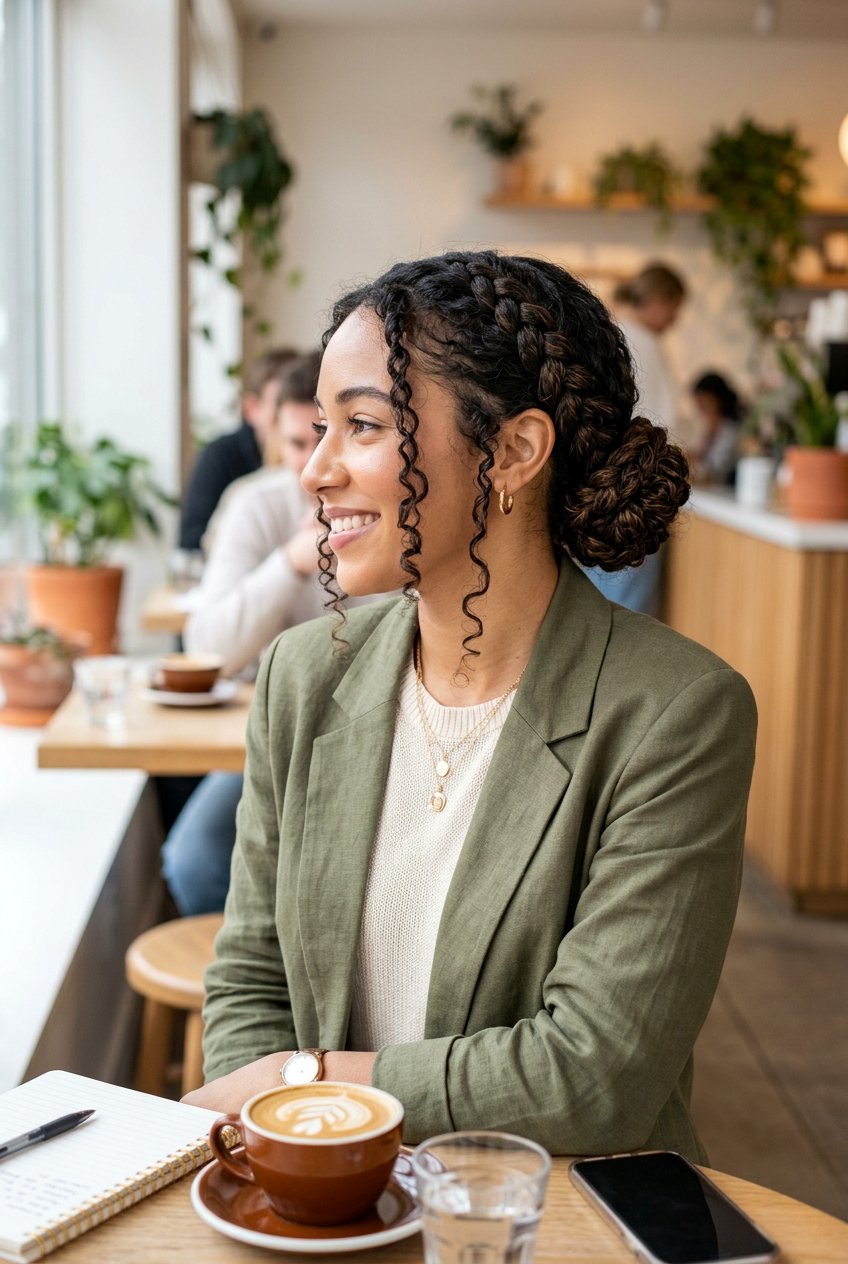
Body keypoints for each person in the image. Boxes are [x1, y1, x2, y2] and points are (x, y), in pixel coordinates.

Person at [187, 251, 756, 1164]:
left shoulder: (676, 714)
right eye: (320, 428)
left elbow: (590, 1076)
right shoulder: (303, 677)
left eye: (362, 425)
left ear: (514, 453)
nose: (316, 471)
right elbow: (252, 978)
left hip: (545, 1221)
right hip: (329, 1205)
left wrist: (309, 1086)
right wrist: (308, 1163)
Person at [161, 352, 325, 917]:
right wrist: (292, 562)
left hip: (375, 734)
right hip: (267, 738)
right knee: (196, 859)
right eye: (296, 444)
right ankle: (249, 991)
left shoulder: (398, 503)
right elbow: (207, 647)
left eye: (325, 438)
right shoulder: (257, 503)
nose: (312, 466)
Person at [583, 262, 687, 617]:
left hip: (596, 489)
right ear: (660, 301)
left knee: (594, 602)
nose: (675, 319)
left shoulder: (609, 336)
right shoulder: (646, 345)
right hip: (634, 490)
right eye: (675, 309)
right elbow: (664, 423)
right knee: (627, 611)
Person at [178, 347, 299, 552]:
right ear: (252, 409)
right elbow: (191, 546)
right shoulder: (220, 459)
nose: (291, 419)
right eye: (279, 408)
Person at [690, 371, 743, 486]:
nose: (702, 411)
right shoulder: (711, 430)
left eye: (705, 405)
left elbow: (714, 470)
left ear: (718, 402)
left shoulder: (731, 432)